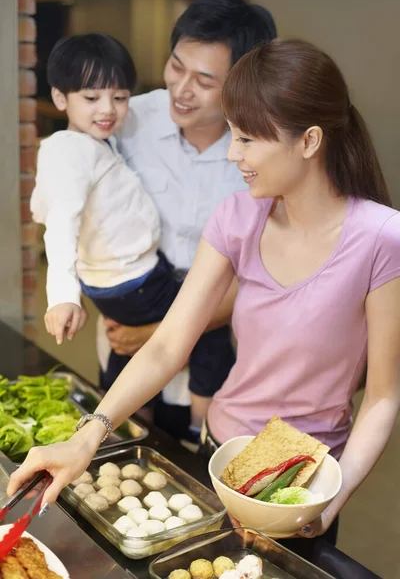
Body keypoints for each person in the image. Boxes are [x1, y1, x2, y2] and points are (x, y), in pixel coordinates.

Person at [13, 38, 399, 556]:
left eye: (246, 139)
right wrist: (87, 437)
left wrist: (328, 501)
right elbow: (167, 345)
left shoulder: (381, 238)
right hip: (220, 453)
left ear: (308, 141)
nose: (234, 154)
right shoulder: (237, 217)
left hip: (308, 478)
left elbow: (382, 397)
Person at [30, 31, 245, 445]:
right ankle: (199, 438)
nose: (108, 110)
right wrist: (62, 296)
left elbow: (48, 201)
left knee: (129, 352)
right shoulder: (70, 151)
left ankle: (124, 431)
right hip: (133, 280)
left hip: (135, 275)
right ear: (60, 99)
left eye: (120, 97)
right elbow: (59, 222)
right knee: (207, 334)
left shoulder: (95, 139)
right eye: (91, 99)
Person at [95, 0, 277, 443]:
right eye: (176, 66)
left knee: (199, 476)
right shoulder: (128, 121)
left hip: (219, 360)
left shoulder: (267, 152)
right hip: (125, 344)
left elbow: (265, 274)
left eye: (204, 79)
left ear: (241, 83)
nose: (181, 89)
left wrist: (157, 333)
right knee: (119, 462)